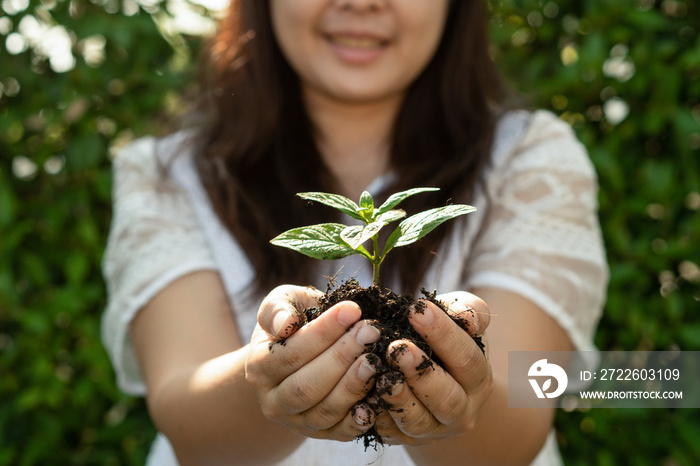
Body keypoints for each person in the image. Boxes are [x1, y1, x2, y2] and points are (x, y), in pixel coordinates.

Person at [101, 0, 608, 464]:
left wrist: (457, 388)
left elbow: (521, 419)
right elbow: (186, 417)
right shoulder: (170, 172)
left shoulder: (529, 158)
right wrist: (269, 377)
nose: (361, 2)